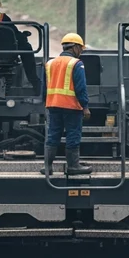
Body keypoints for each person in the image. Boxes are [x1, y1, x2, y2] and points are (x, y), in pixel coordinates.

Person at [43, 33, 92, 176]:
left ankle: (47, 167)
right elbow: (81, 88)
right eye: (81, 49)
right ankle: (73, 166)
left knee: (52, 135)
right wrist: (85, 106)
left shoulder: (50, 63)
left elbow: (44, 86)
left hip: (53, 105)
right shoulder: (76, 64)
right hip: (71, 106)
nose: (81, 52)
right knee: (73, 135)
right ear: (75, 47)